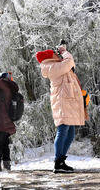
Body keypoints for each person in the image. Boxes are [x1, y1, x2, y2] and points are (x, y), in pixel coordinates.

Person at [36, 45, 86, 173]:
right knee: (63, 130)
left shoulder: (57, 66)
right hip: (62, 103)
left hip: (68, 103)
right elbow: (69, 62)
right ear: (49, 57)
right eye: (54, 53)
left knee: (70, 134)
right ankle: (58, 162)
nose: (56, 54)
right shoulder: (51, 67)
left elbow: (70, 66)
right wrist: (64, 52)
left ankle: (61, 161)